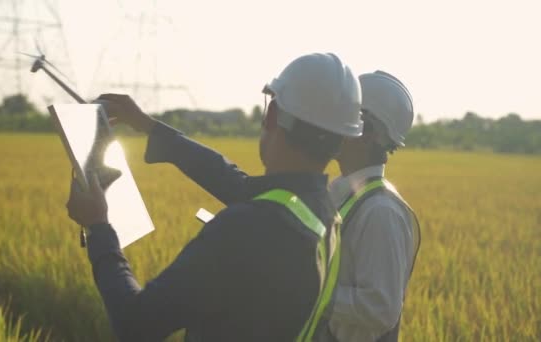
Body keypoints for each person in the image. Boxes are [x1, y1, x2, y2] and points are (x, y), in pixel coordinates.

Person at [65, 53, 363, 341]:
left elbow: (135, 323)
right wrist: (150, 127)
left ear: (271, 115)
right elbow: (236, 183)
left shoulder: (244, 228)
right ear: (342, 142)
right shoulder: (321, 213)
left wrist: (99, 228)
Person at [323, 71, 421, 342]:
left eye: (344, 115)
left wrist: (310, 289)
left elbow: (380, 308)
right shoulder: (342, 194)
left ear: (367, 132)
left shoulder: (381, 212)